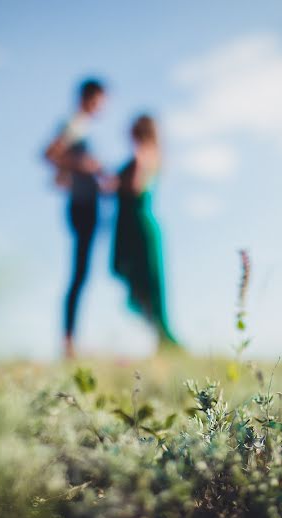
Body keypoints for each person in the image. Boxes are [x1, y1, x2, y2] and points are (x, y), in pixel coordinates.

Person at [44, 78, 110, 358]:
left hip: (86, 202)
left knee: (82, 274)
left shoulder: (81, 126)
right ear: (89, 98)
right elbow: (50, 154)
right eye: (99, 100)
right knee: (79, 274)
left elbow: (59, 174)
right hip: (82, 205)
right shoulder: (74, 124)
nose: (102, 106)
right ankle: (69, 342)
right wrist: (86, 165)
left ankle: (71, 340)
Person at [112, 115, 179, 349]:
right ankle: (159, 337)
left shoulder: (146, 153)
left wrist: (112, 182)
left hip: (139, 224)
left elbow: (135, 186)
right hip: (130, 223)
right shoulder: (153, 154)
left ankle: (163, 337)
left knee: (148, 283)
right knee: (141, 282)